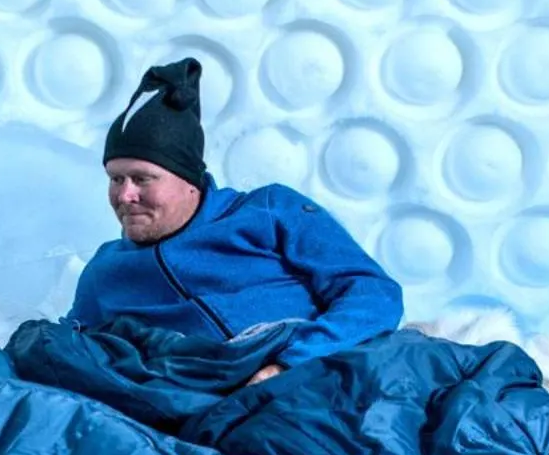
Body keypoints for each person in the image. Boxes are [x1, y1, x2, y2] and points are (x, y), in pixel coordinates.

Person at [67, 57, 404, 386]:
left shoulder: (270, 213)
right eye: (115, 179)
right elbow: (67, 357)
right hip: (212, 415)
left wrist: (289, 365)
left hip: (322, 381)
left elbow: (374, 294)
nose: (124, 196)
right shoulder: (105, 272)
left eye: (142, 179)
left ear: (188, 181)